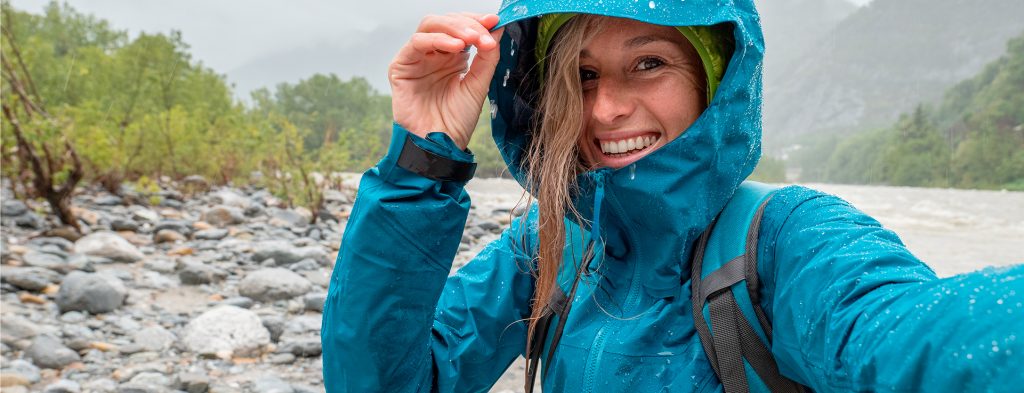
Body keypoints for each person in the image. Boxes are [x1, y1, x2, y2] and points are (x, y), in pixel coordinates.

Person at [322, 0, 1024, 391]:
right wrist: (422, 161)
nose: (604, 109)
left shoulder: (786, 240)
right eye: (583, 76)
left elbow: (905, 337)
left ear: (713, 80)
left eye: (648, 63)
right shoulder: (552, 243)